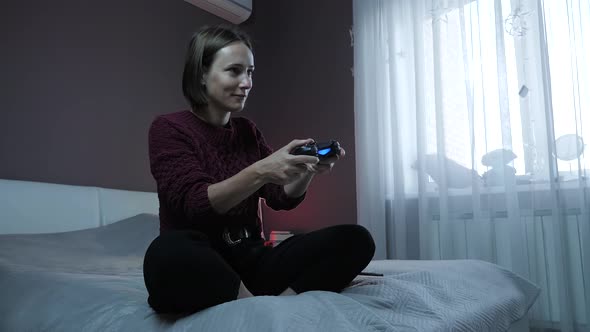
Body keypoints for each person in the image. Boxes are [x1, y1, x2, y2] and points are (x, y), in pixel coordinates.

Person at [143, 24, 375, 315]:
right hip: (202, 261)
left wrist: (308, 170)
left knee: (356, 239)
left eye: (250, 72)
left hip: (251, 260)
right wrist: (262, 169)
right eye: (234, 71)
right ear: (202, 74)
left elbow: (281, 197)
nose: (246, 82)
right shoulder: (169, 129)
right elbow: (195, 204)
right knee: (166, 252)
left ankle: (280, 305)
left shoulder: (247, 131)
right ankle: (254, 308)